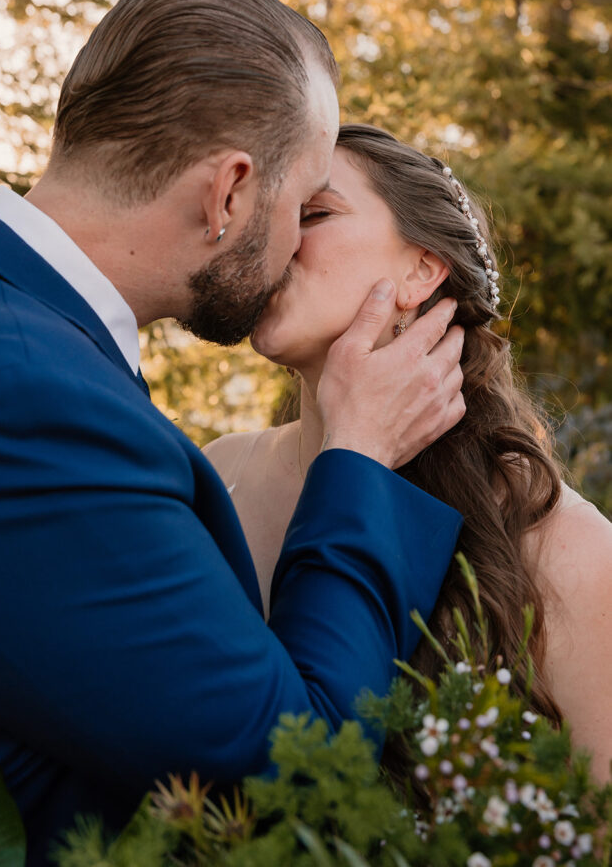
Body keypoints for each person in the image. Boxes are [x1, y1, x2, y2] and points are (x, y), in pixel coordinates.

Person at [0, 0, 467, 865]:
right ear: (228, 194)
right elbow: (290, 770)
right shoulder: (21, 398)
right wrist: (359, 458)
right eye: (300, 207)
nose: (297, 243)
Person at [204, 122, 612, 783]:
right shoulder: (221, 472)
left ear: (421, 269)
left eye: (314, 213)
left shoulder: (565, 546)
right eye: (264, 213)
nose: (267, 238)